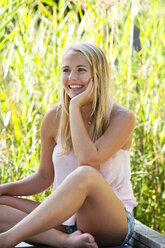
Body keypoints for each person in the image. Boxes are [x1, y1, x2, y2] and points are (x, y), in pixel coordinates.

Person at [0, 42, 137, 248]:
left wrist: (74, 106)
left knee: (86, 174)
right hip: (66, 222)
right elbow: (44, 177)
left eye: (81, 70)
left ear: (98, 74)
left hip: (109, 222)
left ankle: (7, 240)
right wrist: (4, 189)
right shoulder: (53, 118)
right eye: (66, 70)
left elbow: (88, 161)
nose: (72, 78)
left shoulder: (121, 117)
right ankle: (64, 241)